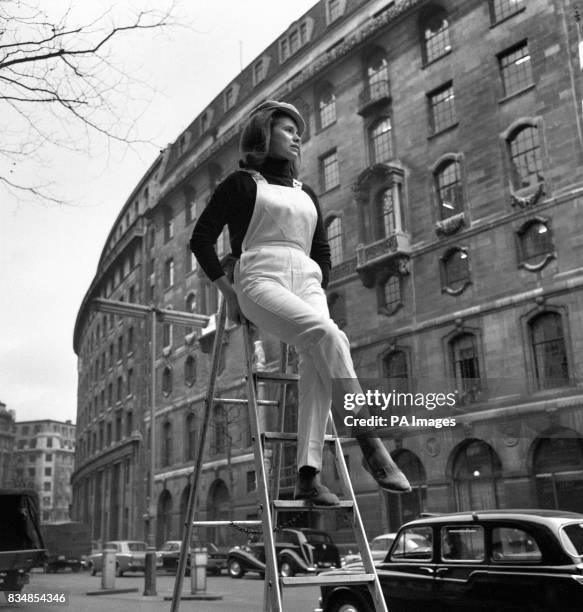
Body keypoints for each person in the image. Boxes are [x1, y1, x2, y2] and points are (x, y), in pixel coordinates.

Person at [190, 100, 411, 505]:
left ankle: (308, 474)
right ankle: (368, 439)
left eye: (299, 133)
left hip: (307, 281)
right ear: (263, 134)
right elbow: (201, 239)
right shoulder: (239, 184)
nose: (297, 138)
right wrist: (228, 290)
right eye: (288, 129)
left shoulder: (307, 192)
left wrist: (316, 281)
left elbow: (322, 249)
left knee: (319, 355)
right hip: (260, 276)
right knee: (329, 335)